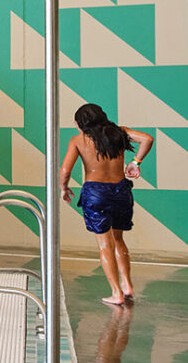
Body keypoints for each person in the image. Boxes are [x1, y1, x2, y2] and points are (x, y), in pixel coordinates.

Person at [59, 102, 152, 306]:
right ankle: (127, 285)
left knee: (104, 245)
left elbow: (65, 170)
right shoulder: (119, 133)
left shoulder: (78, 140)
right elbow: (147, 138)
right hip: (121, 190)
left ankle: (116, 292)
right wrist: (136, 162)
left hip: (96, 193)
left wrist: (64, 188)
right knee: (118, 239)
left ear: (81, 123)